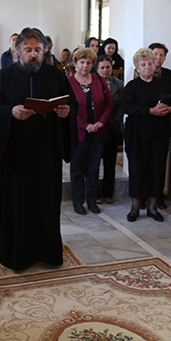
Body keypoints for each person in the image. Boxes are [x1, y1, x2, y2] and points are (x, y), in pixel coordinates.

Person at [0, 27, 76, 270]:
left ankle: (47, 253)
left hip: (46, 154)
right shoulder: (4, 77)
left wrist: (66, 112)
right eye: (28, 50)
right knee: (17, 205)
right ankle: (16, 255)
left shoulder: (56, 76)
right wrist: (10, 112)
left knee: (46, 204)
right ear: (17, 51)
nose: (33, 54)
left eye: (38, 50)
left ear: (45, 50)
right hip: (15, 154)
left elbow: (72, 104)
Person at [123, 48, 171, 223]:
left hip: (159, 134)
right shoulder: (132, 86)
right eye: (143, 65)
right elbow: (127, 107)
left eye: (150, 64)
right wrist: (150, 111)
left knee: (157, 169)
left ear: (154, 66)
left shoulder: (162, 84)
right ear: (137, 68)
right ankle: (135, 208)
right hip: (137, 134)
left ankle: (153, 208)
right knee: (137, 170)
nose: (147, 67)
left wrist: (169, 108)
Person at [68, 47, 113, 215]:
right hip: (78, 133)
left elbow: (109, 103)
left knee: (94, 168)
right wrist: (85, 125)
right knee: (77, 169)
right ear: (75, 63)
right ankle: (78, 201)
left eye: (88, 63)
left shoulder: (99, 80)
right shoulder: (69, 82)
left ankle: (92, 200)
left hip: (98, 132)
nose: (85, 66)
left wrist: (101, 122)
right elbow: (68, 108)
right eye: (82, 62)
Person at [96, 55, 123, 204]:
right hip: (97, 128)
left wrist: (111, 121)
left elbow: (121, 106)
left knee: (110, 163)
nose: (105, 70)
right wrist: (100, 122)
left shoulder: (119, 85)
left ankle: (108, 193)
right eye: (102, 67)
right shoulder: (93, 83)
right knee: (94, 163)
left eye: (108, 67)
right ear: (97, 69)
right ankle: (95, 193)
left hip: (113, 128)